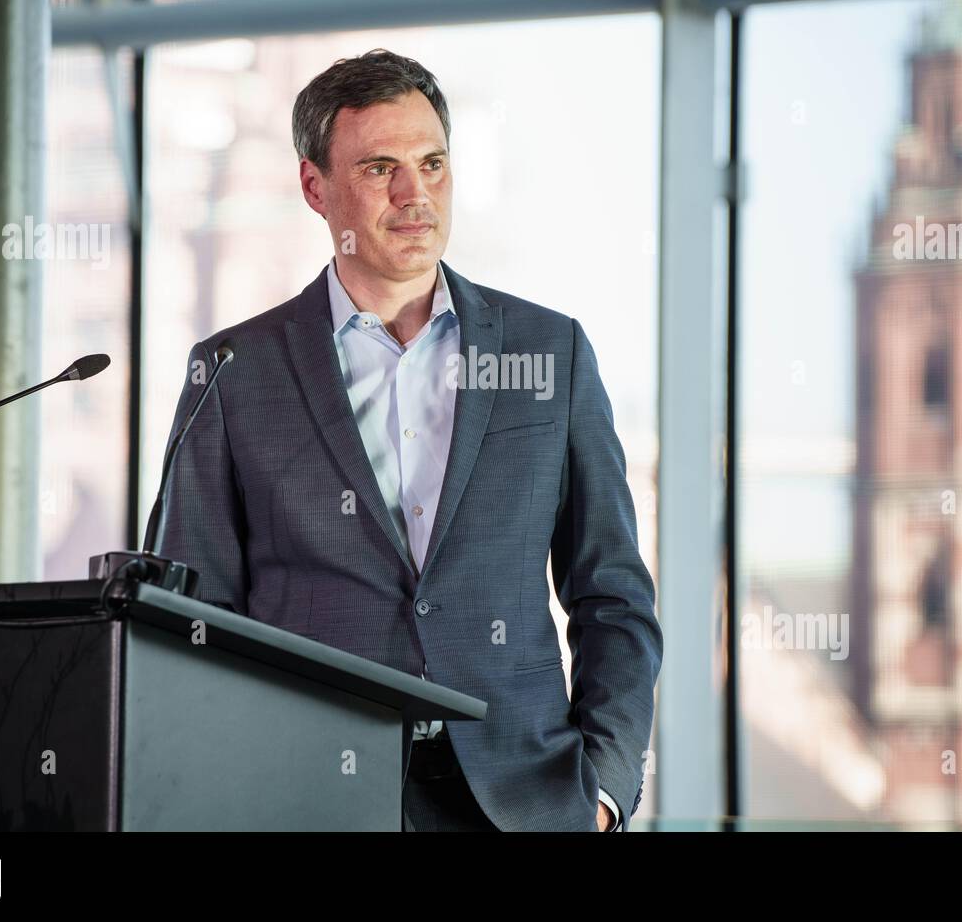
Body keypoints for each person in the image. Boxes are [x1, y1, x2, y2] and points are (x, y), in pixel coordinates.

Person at [159, 49, 663, 831]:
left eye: (432, 163)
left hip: (524, 802)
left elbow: (615, 596)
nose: (414, 193)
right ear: (313, 187)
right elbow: (191, 619)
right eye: (380, 168)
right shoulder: (232, 372)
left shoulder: (551, 353)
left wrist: (601, 790)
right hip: (307, 799)